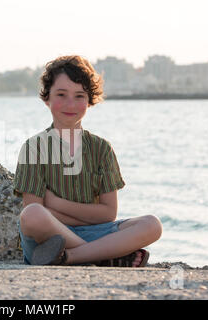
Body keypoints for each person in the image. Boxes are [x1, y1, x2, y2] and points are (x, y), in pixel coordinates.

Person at [13, 55, 162, 266]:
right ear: (47, 99)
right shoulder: (33, 148)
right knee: (32, 215)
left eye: (79, 95)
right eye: (61, 94)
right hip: (46, 241)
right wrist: (88, 216)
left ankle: (72, 257)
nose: (70, 103)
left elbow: (108, 214)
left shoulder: (101, 149)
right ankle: (105, 256)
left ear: (90, 100)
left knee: (152, 224)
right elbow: (35, 210)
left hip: (95, 234)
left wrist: (55, 203)